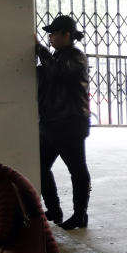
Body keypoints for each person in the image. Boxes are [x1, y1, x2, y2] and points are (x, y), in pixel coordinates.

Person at [35, 14, 91, 230]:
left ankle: (80, 214)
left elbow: (59, 73)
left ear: (66, 34)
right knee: (40, 167)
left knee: (77, 170)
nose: (49, 37)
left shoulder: (75, 56)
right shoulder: (56, 57)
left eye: (53, 33)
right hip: (50, 124)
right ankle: (54, 209)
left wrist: (40, 50)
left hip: (70, 123)